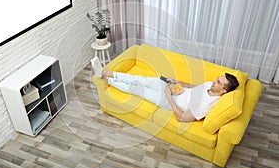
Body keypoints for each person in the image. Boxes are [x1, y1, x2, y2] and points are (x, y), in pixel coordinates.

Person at [91, 57, 239, 122]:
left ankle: (107, 79)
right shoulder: (209, 85)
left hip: (169, 100)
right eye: (217, 78)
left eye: (218, 82)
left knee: (136, 88)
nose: (214, 81)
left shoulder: (206, 105)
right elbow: (194, 87)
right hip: (175, 89)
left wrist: (168, 96)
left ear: (223, 91)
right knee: (141, 79)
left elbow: (182, 118)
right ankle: (104, 73)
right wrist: (175, 82)